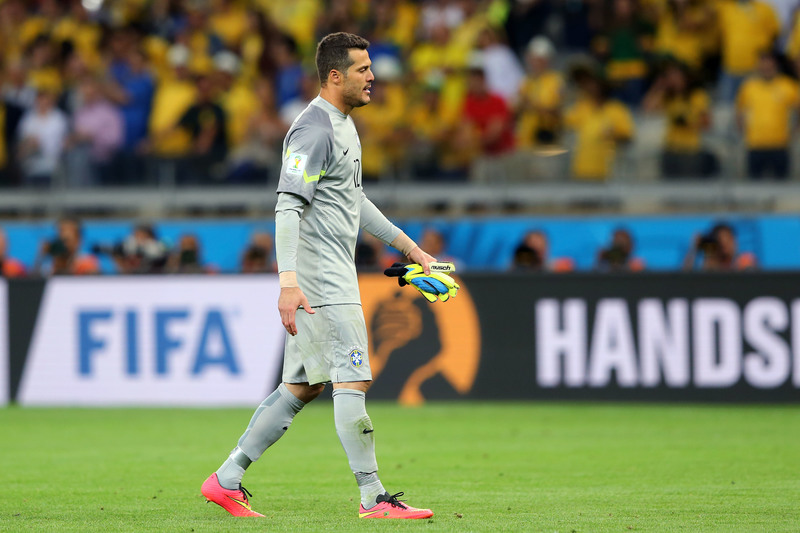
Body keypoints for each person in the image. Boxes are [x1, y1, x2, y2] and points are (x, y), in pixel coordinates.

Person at [201, 32, 435, 520]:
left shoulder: (343, 126)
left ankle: (226, 479)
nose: (373, 77)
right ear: (334, 76)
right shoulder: (313, 129)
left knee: (302, 387)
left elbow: (355, 201)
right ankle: (373, 498)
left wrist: (411, 249)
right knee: (353, 380)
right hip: (321, 282)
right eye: (362, 69)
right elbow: (287, 206)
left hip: (329, 278)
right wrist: (289, 282)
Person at [736, 52, 800, 180]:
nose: (766, 67)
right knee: (754, 186)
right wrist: (743, 129)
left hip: (780, 144)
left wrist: (795, 130)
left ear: (775, 65)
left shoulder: (788, 86)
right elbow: (739, 110)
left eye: (769, 63)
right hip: (755, 144)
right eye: (763, 63)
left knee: (781, 187)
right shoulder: (749, 86)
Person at [683, 223, 757, 271]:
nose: (725, 245)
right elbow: (685, 276)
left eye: (728, 240)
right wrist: (694, 249)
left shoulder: (744, 261)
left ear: (734, 241)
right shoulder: (709, 262)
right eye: (721, 241)